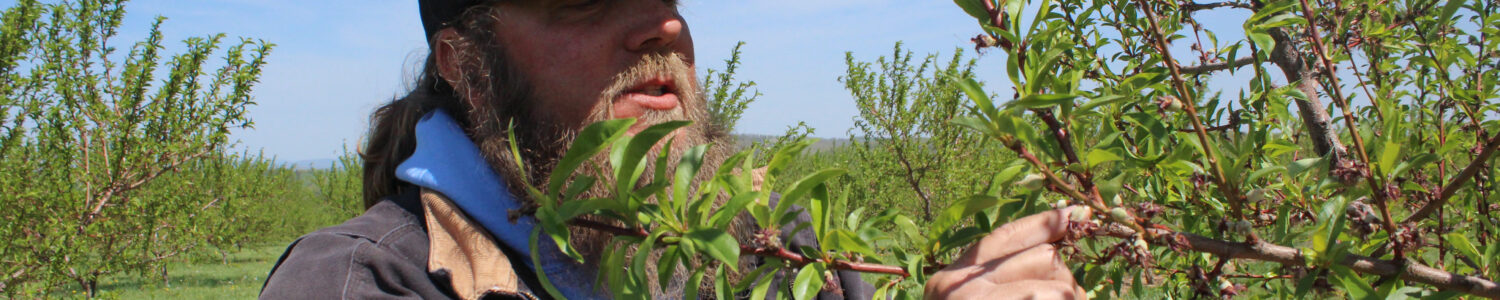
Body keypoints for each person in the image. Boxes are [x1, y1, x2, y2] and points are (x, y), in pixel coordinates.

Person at [258, 1, 1086, 299]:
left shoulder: (778, 250)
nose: (665, 26)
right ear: (465, 65)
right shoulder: (362, 284)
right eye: (584, 1)